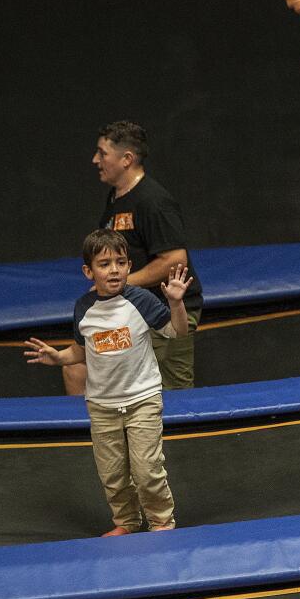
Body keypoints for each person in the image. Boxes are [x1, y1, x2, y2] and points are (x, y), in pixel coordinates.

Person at [25, 229, 194, 535]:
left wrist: (176, 304)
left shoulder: (140, 300)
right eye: (104, 264)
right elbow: (82, 348)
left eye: (120, 262)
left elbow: (176, 331)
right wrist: (59, 357)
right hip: (102, 405)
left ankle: (161, 521)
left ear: (129, 266)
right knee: (113, 474)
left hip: (142, 398)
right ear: (89, 271)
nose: (114, 269)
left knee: (147, 470)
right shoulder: (83, 307)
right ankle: (126, 522)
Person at [62, 120, 203, 395]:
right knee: (78, 368)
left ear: (126, 159)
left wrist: (121, 283)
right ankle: (97, 434)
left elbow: (175, 259)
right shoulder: (116, 198)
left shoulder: (153, 201)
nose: (95, 160)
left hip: (166, 309)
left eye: (102, 153)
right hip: (131, 308)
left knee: (172, 393)